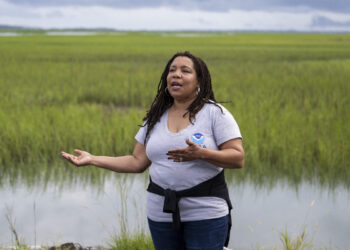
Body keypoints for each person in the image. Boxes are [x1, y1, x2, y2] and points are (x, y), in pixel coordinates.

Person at [61, 51, 244, 250]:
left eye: (185, 71)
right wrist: (92, 159)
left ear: (199, 80)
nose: (176, 74)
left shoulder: (215, 114)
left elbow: (237, 158)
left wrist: (202, 154)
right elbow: (136, 161)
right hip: (161, 212)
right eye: (172, 70)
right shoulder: (156, 116)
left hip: (206, 212)